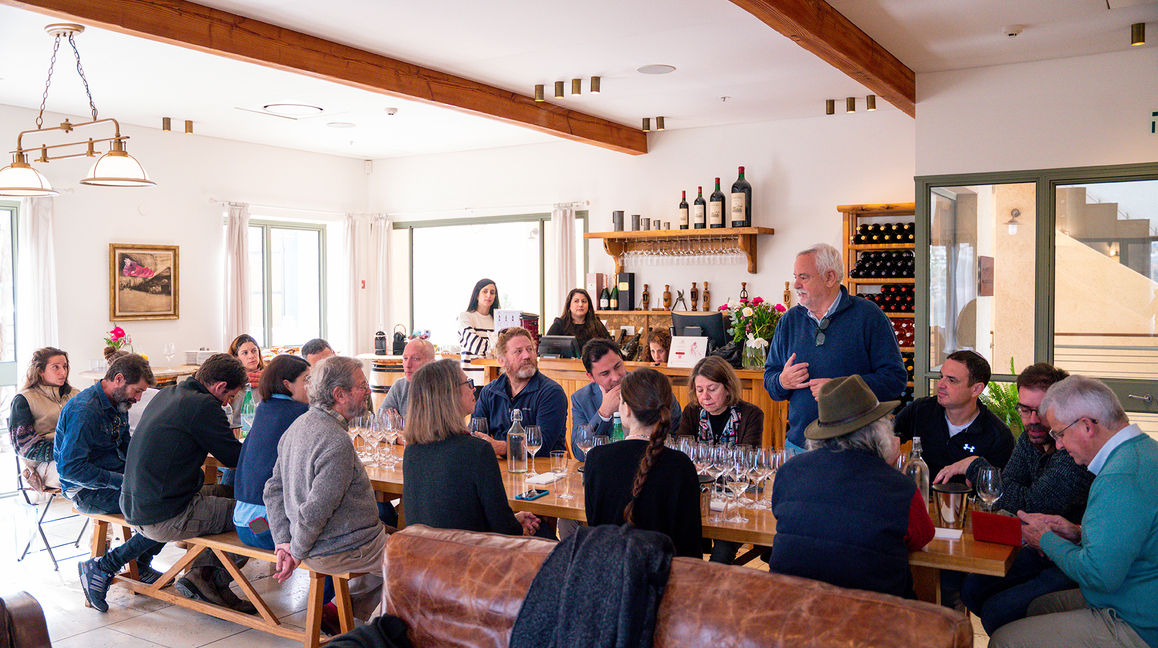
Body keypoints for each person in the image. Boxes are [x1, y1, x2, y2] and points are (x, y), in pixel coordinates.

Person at [990, 376, 1158, 648]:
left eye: (1060, 434)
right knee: (1037, 609)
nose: (1058, 445)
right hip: (1133, 595)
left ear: (1087, 426)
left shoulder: (1119, 477)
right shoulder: (1143, 450)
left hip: (1138, 622)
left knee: (1004, 641)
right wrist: (1077, 533)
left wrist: (1045, 538)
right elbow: (1132, 535)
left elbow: (1099, 576)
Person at [938, 363, 1093, 636]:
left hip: (1075, 555)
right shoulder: (1029, 440)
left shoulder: (1072, 450)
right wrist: (999, 482)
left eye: (1040, 410)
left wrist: (976, 466)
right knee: (972, 589)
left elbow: (1033, 503)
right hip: (1036, 546)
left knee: (999, 611)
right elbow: (1004, 496)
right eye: (1024, 409)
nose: (1032, 419)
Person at [770, 375, 934, 598]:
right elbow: (922, 537)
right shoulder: (899, 487)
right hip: (870, 618)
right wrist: (886, 465)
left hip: (791, 608)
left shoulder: (790, 470)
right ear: (879, 430)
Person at [120, 354, 252, 612]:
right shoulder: (204, 405)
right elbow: (233, 457)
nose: (228, 403)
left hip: (135, 503)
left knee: (230, 492)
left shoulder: (169, 393)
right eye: (231, 396)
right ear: (220, 387)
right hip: (164, 513)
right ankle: (204, 578)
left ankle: (202, 575)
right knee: (254, 517)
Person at [264, 356, 392, 622]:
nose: (368, 391)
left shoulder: (296, 426)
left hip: (327, 542)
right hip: (344, 546)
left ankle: (338, 613)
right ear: (340, 394)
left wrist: (283, 542)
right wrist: (294, 552)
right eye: (362, 385)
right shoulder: (335, 440)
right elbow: (316, 510)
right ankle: (377, 634)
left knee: (400, 538)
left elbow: (272, 489)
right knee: (420, 563)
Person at [764, 243, 907, 453]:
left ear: (830, 277)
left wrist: (842, 390)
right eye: (795, 276)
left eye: (804, 277)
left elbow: (895, 380)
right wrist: (782, 381)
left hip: (857, 449)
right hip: (798, 447)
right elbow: (771, 380)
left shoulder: (869, 316)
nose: (795, 284)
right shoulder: (789, 320)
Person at [55, 354, 166, 613]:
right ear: (118, 380)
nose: (138, 398)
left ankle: (139, 564)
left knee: (175, 491)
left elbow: (124, 446)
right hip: (85, 491)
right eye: (137, 391)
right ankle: (103, 566)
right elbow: (71, 469)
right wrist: (125, 482)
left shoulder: (116, 402)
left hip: (110, 479)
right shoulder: (85, 410)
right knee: (164, 507)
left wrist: (146, 470)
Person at [401, 358, 540, 536]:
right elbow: (504, 529)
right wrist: (515, 524)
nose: (473, 388)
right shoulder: (477, 451)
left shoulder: (412, 451)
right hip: (473, 558)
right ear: (449, 395)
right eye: (468, 383)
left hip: (426, 557)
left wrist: (512, 520)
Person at [583, 368, 702, 558]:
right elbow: (690, 548)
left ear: (627, 408)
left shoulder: (597, 458)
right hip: (664, 578)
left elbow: (594, 526)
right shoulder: (680, 465)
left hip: (608, 576)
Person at [894, 350, 1015, 481]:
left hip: (967, 501)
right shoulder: (921, 409)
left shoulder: (998, 436)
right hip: (921, 499)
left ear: (976, 389)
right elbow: (883, 438)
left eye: (951, 380)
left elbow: (999, 491)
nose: (940, 385)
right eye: (941, 377)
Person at [233, 354, 311, 548]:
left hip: (242, 523)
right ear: (287, 384)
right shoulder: (300, 413)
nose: (312, 386)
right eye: (307, 380)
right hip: (271, 528)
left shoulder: (263, 408)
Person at [570, 339, 681, 461]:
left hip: (652, 465)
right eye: (605, 373)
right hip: (604, 470)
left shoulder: (650, 386)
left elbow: (675, 436)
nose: (616, 377)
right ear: (591, 377)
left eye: (618, 366)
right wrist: (603, 414)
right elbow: (580, 453)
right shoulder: (582, 399)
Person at [472, 327, 567, 459]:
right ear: (502, 360)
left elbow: (543, 445)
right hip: (502, 469)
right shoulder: (489, 392)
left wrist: (501, 447)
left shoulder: (551, 392)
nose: (527, 356)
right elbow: (475, 433)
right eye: (518, 351)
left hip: (542, 472)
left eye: (530, 349)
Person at [10, 347, 77, 492]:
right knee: (88, 470)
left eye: (65, 367)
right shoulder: (24, 399)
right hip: (42, 465)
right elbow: (24, 445)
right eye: (55, 367)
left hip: (78, 456)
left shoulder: (75, 394)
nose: (63, 372)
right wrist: (67, 451)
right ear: (40, 371)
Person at [677, 355, 763, 447]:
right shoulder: (691, 411)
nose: (705, 396)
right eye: (700, 390)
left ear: (728, 388)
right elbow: (681, 453)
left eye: (712, 389)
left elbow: (749, 456)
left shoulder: (751, 414)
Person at [379, 338, 435, 429]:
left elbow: (436, 435)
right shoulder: (400, 386)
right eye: (405, 358)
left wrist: (400, 430)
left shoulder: (443, 389)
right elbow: (379, 422)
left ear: (432, 364)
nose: (408, 365)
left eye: (415, 359)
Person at [545, 288, 611, 353]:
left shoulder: (596, 324)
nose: (580, 305)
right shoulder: (560, 324)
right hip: (565, 363)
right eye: (576, 301)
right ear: (569, 305)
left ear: (589, 306)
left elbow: (611, 346)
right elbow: (546, 347)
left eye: (584, 301)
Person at [227, 333, 265, 428]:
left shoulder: (269, 378)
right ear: (236, 357)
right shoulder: (231, 381)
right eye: (245, 353)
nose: (251, 356)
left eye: (254, 351)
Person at [458, 278, 499, 359]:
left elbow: (508, 348)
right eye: (485, 291)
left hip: (495, 371)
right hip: (471, 371)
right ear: (477, 295)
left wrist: (483, 341)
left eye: (492, 292)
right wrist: (496, 346)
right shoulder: (465, 317)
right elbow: (476, 346)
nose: (489, 295)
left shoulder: (497, 320)